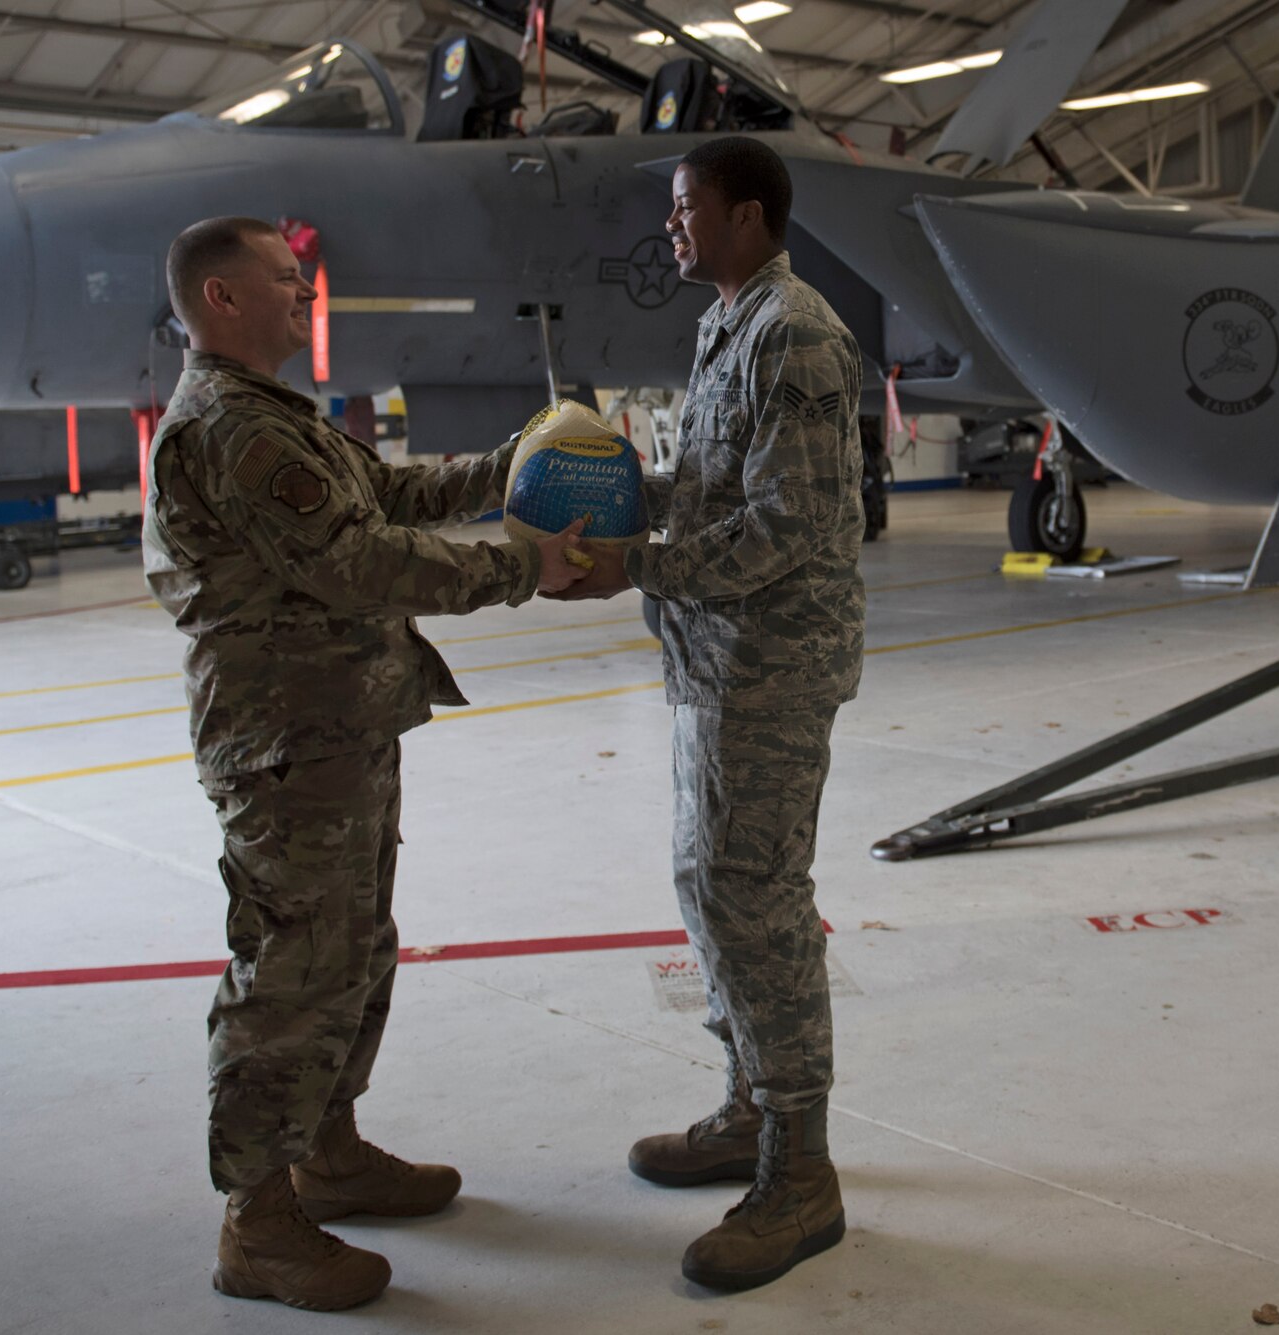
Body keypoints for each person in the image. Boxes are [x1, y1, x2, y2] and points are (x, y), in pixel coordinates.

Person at [141, 216, 588, 1311]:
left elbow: (377, 498)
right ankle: (257, 1221)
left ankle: (325, 1155)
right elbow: (355, 563)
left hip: (334, 729)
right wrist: (522, 567)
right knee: (292, 972)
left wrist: (507, 467)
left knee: (349, 952)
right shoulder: (231, 430)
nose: (304, 297)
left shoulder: (273, 419)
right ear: (221, 299)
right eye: (285, 283)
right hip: (286, 740)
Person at [550, 137, 866, 1291]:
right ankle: (745, 1104)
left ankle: (800, 1170)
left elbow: (789, 529)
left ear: (745, 213)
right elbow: (716, 488)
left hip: (772, 668)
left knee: (757, 903)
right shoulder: (727, 319)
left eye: (686, 209)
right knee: (710, 887)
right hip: (716, 661)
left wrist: (635, 561)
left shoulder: (794, 334)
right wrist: (615, 493)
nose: (671, 227)